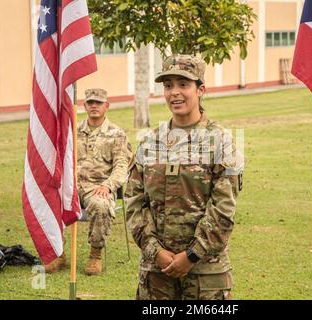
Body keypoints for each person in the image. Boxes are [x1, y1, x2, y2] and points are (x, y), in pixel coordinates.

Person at [125, 54, 244, 299]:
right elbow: (134, 203)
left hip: (205, 274)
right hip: (157, 272)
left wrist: (191, 256)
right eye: (168, 85)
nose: (174, 92)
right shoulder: (149, 143)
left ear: (200, 89)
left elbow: (223, 209)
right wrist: (155, 251)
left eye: (183, 84)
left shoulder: (221, 142)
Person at [76, 88, 132, 275]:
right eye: (90, 102)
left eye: (98, 103)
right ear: (84, 106)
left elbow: (121, 166)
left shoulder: (116, 134)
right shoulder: (73, 130)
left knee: (100, 205)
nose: (94, 106)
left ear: (106, 106)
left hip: (98, 186)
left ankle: (95, 254)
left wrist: (108, 186)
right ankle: (57, 254)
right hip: (72, 185)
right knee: (50, 201)